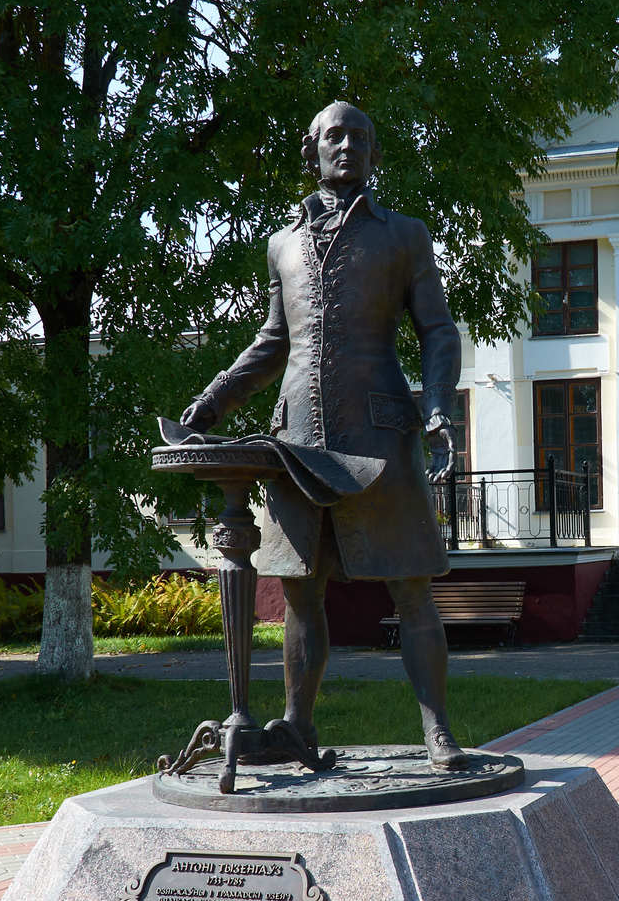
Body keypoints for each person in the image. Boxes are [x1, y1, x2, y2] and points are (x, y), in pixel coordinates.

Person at [170, 101, 467, 770]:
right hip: (297, 441)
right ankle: (297, 726)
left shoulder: (403, 236)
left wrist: (440, 404)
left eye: (362, 136)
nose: (349, 145)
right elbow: (273, 341)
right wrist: (211, 404)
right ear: (313, 149)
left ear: (374, 153)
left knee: (412, 587)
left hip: (382, 436)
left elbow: (438, 331)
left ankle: (438, 729)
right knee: (301, 591)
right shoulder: (282, 244)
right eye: (335, 135)